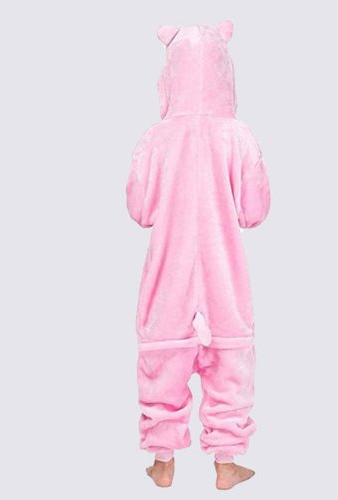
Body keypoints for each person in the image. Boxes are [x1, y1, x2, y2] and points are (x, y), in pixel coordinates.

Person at [126, 20, 271, 489]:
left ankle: (163, 462)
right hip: (223, 279)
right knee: (229, 367)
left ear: (171, 77)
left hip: (167, 280)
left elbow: (140, 210)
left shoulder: (156, 139)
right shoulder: (238, 137)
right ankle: (226, 466)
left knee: (162, 364)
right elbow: (254, 211)